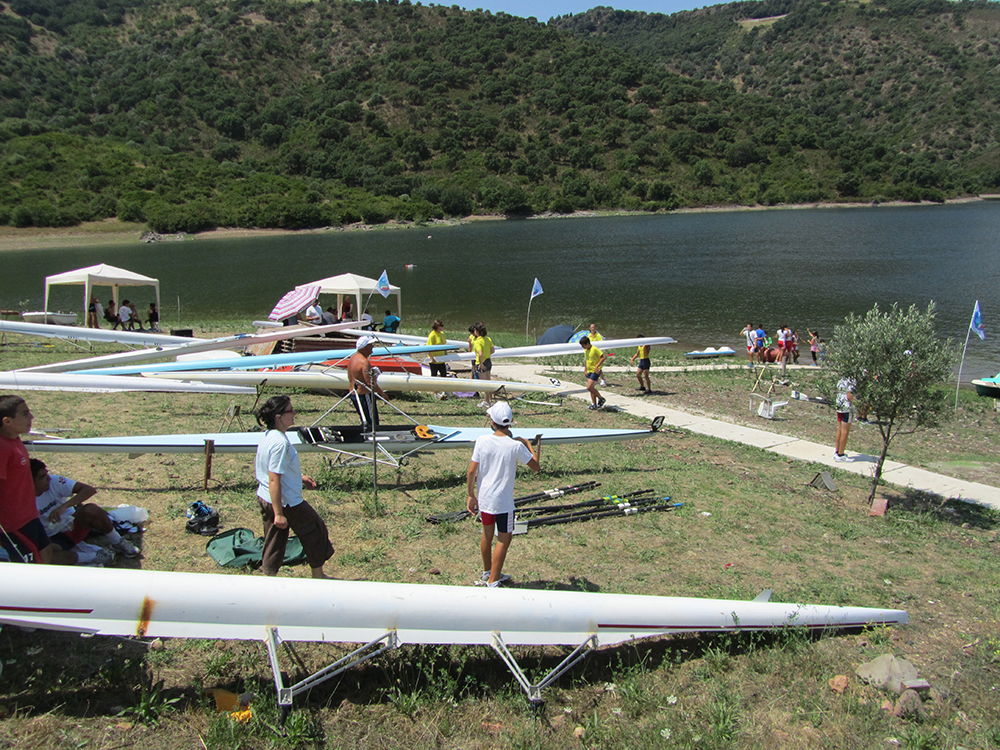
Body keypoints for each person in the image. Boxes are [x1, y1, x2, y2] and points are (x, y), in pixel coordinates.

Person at [254, 395, 334, 578]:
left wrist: (299, 477)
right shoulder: (280, 443)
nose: (294, 413)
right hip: (286, 502)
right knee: (315, 530)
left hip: (266, 496)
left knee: (274, 541)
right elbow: (274, 478)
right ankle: (318, 575)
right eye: (290, 410)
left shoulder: (269, 436)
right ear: (278, 417)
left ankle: (268, 576)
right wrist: (279, 513)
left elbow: (274, 470)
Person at [466, 402, 540, 588]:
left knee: (487, 534)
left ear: (492, 421)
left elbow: (471, 472)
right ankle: (493, 581)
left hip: (485, 499)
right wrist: (530, 445)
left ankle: (487, 572)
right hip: (504, 504)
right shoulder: (515, 446)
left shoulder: (482, 441)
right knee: (504, 539)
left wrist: (470, 495)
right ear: (510, 422)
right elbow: (536, 467)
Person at [31, 458, 138, 565]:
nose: (48, 478)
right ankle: (93, 557)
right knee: (45, 558)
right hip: (51, 538)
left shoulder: (54, 481)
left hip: (71, 524)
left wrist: (64, 506)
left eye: (47, 474)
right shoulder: (22, 500)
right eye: (42, 477)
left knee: (91, 509)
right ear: (29, 481)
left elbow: (89, 490)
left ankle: (117, 541)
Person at [0, 395, 53, 564]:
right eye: (25, 414)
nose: (31, 417)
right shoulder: (2, 448)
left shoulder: (14, 440)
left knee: (46, 553)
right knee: (32, 568)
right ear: (7, 421)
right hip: (13, 524)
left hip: (30, 515)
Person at [347, 335, 389, 430]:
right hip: (364, 395)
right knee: (372, 422)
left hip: (354, 395)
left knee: (364, 419)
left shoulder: (352, 359)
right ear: (364, 348)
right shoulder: (364, 362)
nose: (372, 348)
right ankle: (371, 437)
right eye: (371, 346)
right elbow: (369, 383)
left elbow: (351, 377)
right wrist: (382, 393)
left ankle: (366, 434)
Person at [580, 336, 607, 410]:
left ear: (588, 343)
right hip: (589, 370)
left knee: (589, 387)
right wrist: (585, 370)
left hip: (595, 371)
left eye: (583, 345)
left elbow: (603, 357)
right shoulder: (586, 351)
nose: (583, 347)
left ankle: (601, 398)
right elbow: (586, 360)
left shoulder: (594, 349)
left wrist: (597, 366)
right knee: (592, 388)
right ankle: (593, 403)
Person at [472, 323, 495, 409]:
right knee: (489, 381)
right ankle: (490, 399)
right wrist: (487, 354)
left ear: (477, 332)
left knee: (484, 384)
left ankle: (486, 401)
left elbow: (480, 354)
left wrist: (481, 364)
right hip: (488, 361)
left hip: (481, 362)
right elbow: (492, 350)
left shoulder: (478, 341)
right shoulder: (488, 339)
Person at [834, 377, 855, 462]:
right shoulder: (852, 380)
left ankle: (837, 451)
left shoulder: (841, 379)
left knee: (840, 429)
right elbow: (849, 396)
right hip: (847, 407)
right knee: (845, 431)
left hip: (839, 405)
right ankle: (841, 454)